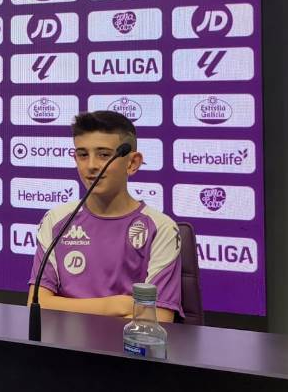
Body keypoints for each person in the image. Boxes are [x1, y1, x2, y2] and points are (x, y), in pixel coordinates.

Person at [27, 111, 182, 322]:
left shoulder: (160, 228)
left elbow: (160, 319)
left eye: (104, 155)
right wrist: (119, 304)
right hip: (62, 348)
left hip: (127, 352)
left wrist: (65, 306)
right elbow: (37, 304)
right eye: (83, 155)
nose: (91, 166)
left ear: (132, 163)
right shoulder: (56, 220)